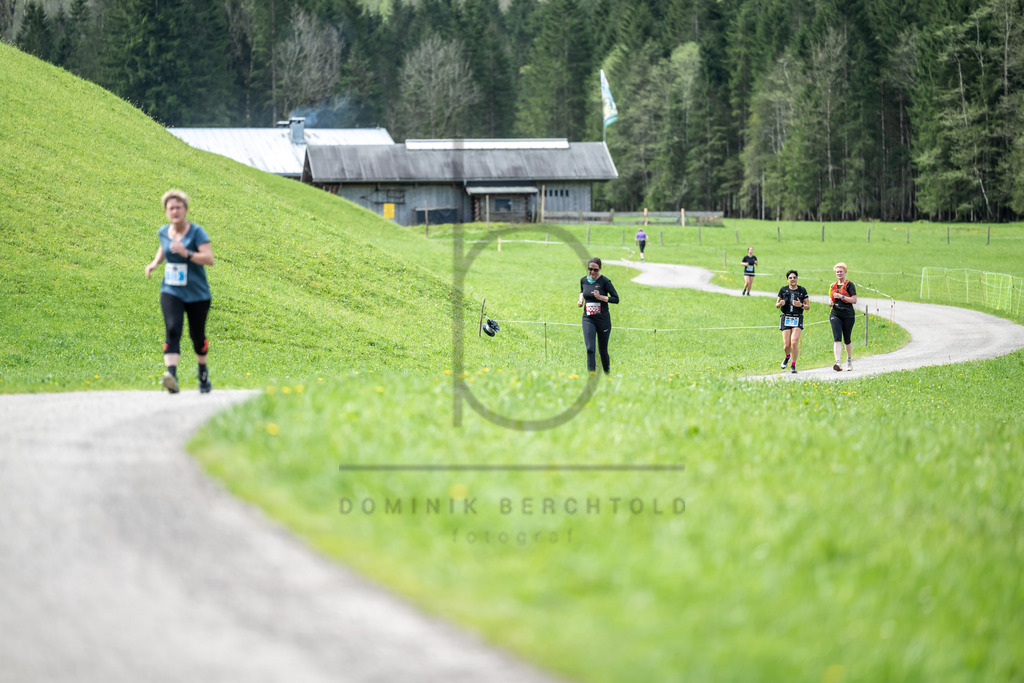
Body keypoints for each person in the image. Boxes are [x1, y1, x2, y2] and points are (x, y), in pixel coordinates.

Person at [144, 190, 215, 393]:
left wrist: (187, 253)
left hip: (197, 294)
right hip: (171, 290)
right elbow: (164, 248)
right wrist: (154, 263)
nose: (175, 211)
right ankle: (171, 376)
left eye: (178, 207)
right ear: (166, 212)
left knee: (197, 336)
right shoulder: (163, 231)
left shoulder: (197, 232)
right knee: (173, 328)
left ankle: (203, 373)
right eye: (170, 208)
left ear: (186, 210)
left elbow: (209, 259)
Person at [577, 257, 619, 374]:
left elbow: (616, 299)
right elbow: (582, 291)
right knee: (590, 349)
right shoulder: (583, 280)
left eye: (595, 270)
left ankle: (607, 374)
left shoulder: (605, 282)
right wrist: (580, 300)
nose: (592, 272)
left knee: (602, 351)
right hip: (588, 318)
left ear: (600, 269)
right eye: (590, 269)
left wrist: (600, 297)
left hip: (603, 320)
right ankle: (592, 375)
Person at [776, 270, 810, 374]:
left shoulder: (802, 290)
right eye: (790, 278)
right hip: (786, 318)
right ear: (787, 280)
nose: (792, 279)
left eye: (794, 277)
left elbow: (808, 307)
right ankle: (787, 357)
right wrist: (780, 303)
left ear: (797, 279)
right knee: (787, 345)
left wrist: (801, 306)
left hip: (797, 318)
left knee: (794, 342)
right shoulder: (783, 290)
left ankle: (793, 365)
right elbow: (776, 305)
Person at [828, 262, 858, 371]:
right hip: (835, 313)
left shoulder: (850, 285)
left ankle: (849, 360)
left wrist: (842, 296)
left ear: (845, 272)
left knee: (847, 338)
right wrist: (830, 303)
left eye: (841, 271)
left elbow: (854, 300)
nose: (839, 273)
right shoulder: (833, 285)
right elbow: (830, 299)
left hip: (848, 314)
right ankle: (838, 363)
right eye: (837, 272)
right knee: (837, 338)